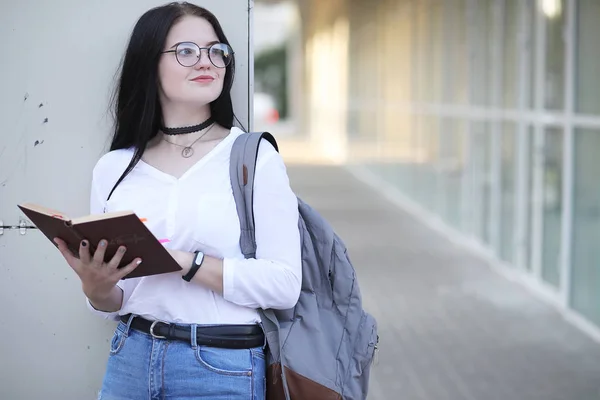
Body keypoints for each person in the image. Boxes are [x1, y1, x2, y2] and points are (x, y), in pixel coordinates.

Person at [52, 2, 302, 399]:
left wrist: (186, 262)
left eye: (215, 50)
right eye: (186, 50)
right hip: (129, 357)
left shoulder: (253, 158)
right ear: (149, 63)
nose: (206, 61)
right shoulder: (114, 167)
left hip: (221, 366)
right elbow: (119, 300)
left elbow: (285, 284)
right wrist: (96, 288)